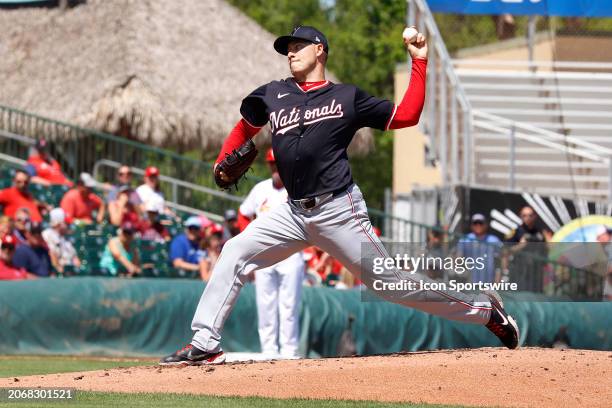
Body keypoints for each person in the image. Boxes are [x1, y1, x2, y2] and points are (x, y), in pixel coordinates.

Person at [160, 25, 518, 366]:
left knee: (389, 284)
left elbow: (406, 115)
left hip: (338, 210)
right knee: (235, 251)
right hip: (293, 214)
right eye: (287, 48)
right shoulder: (274, 92)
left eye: (298, 46)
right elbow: (244, 128)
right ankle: (205, 343)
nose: (290, 53)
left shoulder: (347, 96)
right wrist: (224, 158)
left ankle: (485, 309)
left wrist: (419, 61)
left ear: (320, 50)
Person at [237, 148, 305, 359]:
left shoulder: (298, 186)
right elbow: (243, 214)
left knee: (289, 304)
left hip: (291, 252)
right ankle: (268, 350)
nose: (276, 167)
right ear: (269, 165)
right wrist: (249, 240)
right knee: (265, 303)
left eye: (278, 162)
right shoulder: (260, 189)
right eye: (272, 163)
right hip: (264, 253)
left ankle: (289, 351)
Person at [504, 206, 551, 292]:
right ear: (521, 217)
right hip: (520, 271)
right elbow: (506, 251)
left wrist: (549, 243)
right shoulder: (516, 232)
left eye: (530, 215)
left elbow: (547, 250)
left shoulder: (540, 232)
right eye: (524, 215)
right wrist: (520, 245)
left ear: (535, 216)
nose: (527, 218)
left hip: (536, 272)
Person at [457, 214, 503, 284]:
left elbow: (500, 261)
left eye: (481, 223)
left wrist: (498, 281)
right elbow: (459, 259)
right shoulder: (464, 239)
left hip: (489, 284)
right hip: (469, 283)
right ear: (471, 225)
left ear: (486, 225)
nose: (478, 225)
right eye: (475, 223)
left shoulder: (494, 240)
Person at [42, 208, 81, 275]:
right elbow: (52, 257)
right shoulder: (47, 235)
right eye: (66, 223)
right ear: (58, 223)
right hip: (58, 275)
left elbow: (75, 258)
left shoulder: (65, 238)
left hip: (70, 274)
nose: (69, 225)